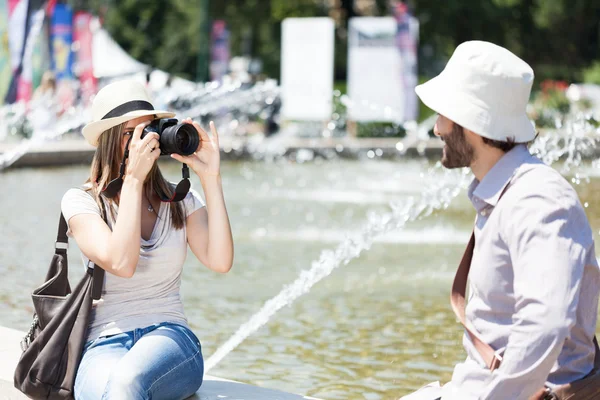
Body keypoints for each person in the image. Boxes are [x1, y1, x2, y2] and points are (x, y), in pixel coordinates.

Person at [405, 41, 599, 399]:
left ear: (473, 124)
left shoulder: (538, 199)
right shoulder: (506, 193)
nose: (436, 128)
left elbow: (546, 325)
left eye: (444, 114)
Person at [61, 79, 234, 399]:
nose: (144, 142)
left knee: (127, 381)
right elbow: (121, 263)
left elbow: (220, 261)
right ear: (110, 141)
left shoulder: (180, 201)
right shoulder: (82, 203)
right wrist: (133, 181)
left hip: (170, 338)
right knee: (116, 390)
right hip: (104, 343)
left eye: (148, 131)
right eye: (131, 134)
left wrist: (210, 177)